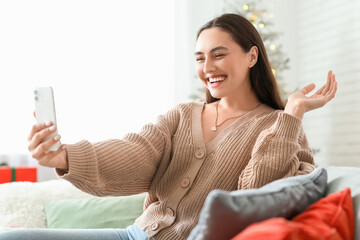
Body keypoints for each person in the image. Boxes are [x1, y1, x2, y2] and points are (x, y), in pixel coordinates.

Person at [1, 13, 337, 240]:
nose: (208, 67)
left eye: (219, 55)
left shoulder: (281, 129)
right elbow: (135, 152)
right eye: (200, 58)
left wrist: (291, 115)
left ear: (252, 57)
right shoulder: (182, 114)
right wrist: (63, 157)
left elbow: (255, 196)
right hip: (135, 233)